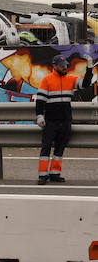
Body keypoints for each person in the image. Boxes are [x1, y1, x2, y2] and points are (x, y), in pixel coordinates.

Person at [35, 54, 93, 184]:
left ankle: (55, 174)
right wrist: (39, 116)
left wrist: (89, 66)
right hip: (50, 121)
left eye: (65, 65)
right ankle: (42, 176)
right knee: (46, 147)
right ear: (54, 66)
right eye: (62, 65)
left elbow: (86, 83)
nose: (64, 67)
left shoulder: (71, 79)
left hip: (65, 120)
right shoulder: (46, 80)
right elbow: (40, 101)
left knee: (60, 148)